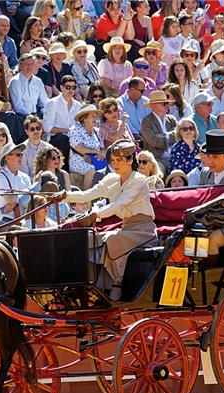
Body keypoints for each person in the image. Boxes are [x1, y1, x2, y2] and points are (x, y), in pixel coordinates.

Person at [50, 139, 156, 301]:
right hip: (126, 227)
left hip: (143, 230)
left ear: (130, 161)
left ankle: (117, 283)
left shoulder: (138, 180)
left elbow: (119, 204)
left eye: (119, 160)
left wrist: (95, 215)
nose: (115, 164)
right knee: (92, 240)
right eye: (112, 160)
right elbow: (88, 194)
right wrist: (64, 196)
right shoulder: (111, 179)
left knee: (112, 239)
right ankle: (90, 287)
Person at [43, 74, 81, 165]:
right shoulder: (52, 103)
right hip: (56, 139)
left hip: (72, 138)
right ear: (61, 87)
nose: (71, 90)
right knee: (63, 138)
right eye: (67, 87)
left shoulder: (78, 105)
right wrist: (67, 131)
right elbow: (47, 128)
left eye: (73, 87)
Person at [139, 90, 177, 174]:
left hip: (174, 157)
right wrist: (171, 137)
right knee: (159, 174)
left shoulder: (172, 119)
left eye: (167, 103)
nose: (167, 106)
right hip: (156, 159)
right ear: (153, 106)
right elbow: (154, 142)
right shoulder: (146, 121)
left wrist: (164, 135)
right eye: (164, 104)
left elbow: (178, 136)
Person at [68, 104, 103, 190]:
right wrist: (96, 152)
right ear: (84, 118)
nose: (95, 118)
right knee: (92, 170)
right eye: (92, 116)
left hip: (96, 160)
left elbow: (102, 148)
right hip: (79, 161)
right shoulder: (75, 130)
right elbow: (80, 148)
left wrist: (102, 154)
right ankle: (87, 198)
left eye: (96, 116)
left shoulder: (97, 131)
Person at [9, 52, 47, 118]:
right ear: (20, 66)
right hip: (21, 116)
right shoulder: (15, 81)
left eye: (32, 64)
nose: (29, 67)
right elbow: (18, 106)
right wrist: (31, 118)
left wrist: (46, 114)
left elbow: (44, 102)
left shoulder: (38, 81)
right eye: (26, 64)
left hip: (36, 115)